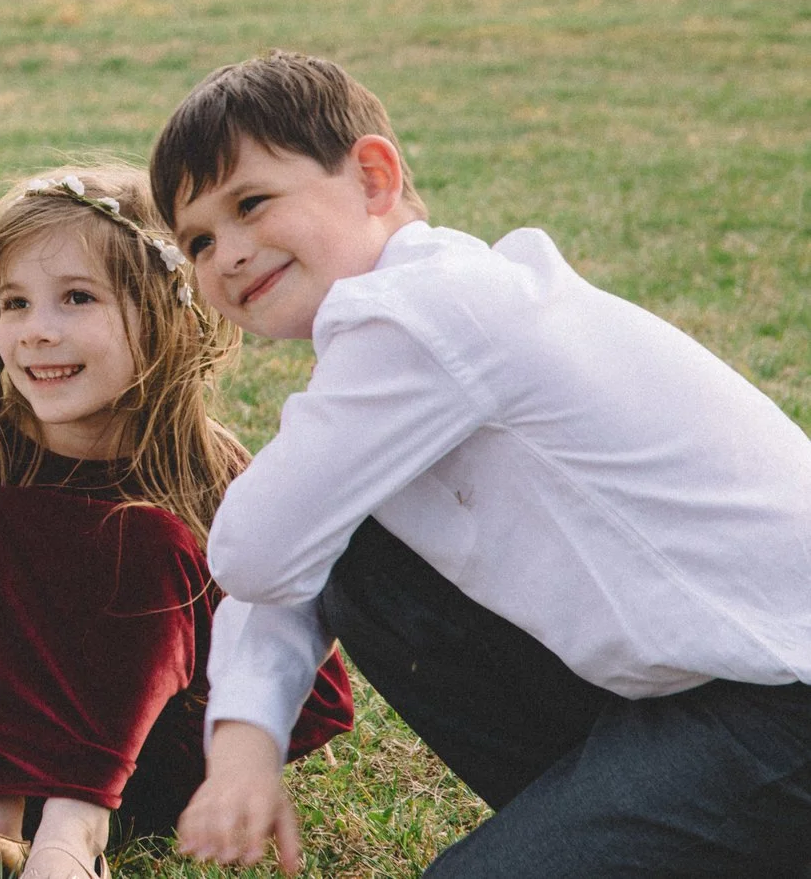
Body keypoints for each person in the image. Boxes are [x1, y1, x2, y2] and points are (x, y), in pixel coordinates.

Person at [153, 51, 811, 877]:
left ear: (373, 176)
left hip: (783, 695)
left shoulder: (428, 313)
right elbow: (289, 558)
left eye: (252, 203)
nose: (229, 255)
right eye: (199, 241)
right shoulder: (415, 325)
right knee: (354, 544)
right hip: (696, 697)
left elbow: (255, 548)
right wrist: (246, 741)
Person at [0, 168, 351, 879]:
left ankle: (73, 839)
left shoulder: (207, 471)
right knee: (3, 515)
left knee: (143, 537)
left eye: (77, 298)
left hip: (147, 765)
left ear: (161, 316)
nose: (37, 331)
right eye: (15, 303)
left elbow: (312, 684)